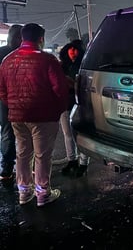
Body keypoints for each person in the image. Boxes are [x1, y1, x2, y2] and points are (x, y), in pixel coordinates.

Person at [0, 23, 68, 207]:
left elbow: (2, 91)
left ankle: (24, 193)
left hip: (17, 116)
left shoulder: (8, 60)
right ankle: (43, 193)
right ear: (41, 39)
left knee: (22, 154)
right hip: (43, 116)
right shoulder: (48, 60)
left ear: (22, 38)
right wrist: (57, 110)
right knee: (42, 155)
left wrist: (14, 106)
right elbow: (60, 90)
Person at [59, 39, 90, 177]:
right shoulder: (61, 66)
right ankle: (71, 160)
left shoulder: (86, 66)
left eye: (76, 49)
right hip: (65, 104)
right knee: (67, 134)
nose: (72, 51)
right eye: (70, 49)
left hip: (82, 105)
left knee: (82, 134)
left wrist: (73, 84)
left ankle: (83, 163)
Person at [0, 24, 22, 183]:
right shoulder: (18, 54)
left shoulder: (1, 52)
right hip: (14, 99)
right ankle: (16, 168)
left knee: (8, 132)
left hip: (4, 99)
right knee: (22, 133)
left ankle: (7, 169)